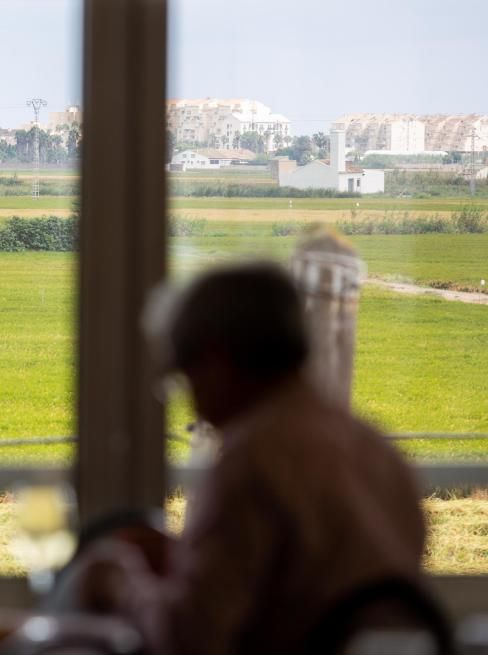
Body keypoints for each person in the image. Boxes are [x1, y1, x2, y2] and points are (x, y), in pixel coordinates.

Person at [81, 262, 427, 654]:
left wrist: (120, 581)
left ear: (214, 361)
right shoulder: (374, 447)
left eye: (181, 376)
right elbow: (304, 582)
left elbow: (188, 640)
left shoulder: (249, 464)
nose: (189, 403)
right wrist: (189, 558)